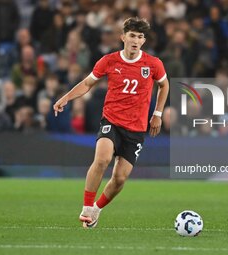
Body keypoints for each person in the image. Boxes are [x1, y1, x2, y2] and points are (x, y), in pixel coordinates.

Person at [53, 17, 169, 228]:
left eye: (140, 37)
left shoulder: (153, 64)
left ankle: (97, 209)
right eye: (132, 35)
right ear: (123, 37)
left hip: (136, 128)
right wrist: (66, 97)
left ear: (144, 41)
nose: (136, 40)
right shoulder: (109, 61)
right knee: (102, 159)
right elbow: (88, 83)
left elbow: (164, 85)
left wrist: (158, 113)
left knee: (120, 179)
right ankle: (87, 208)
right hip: (112, 120)